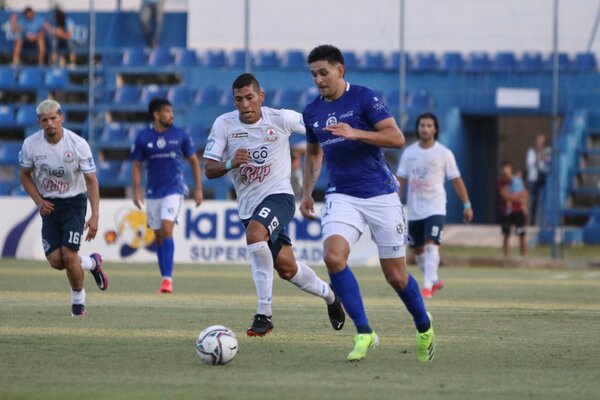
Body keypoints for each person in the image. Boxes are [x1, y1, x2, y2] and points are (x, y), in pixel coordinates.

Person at [300, 44, 435, 362]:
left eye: (324, 72)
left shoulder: (364, 97)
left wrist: (356, 133)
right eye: (314, 74)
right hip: (341, 194)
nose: (319, 80)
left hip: (381, 194)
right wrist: (307, 192)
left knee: (396, 277)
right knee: (333, 258)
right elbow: (315, 152)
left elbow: (397, 138)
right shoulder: (312, 112)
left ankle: (424, 326)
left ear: (340, 70)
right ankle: (364, 332)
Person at [203, 73, 345, 337]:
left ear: (261, 97)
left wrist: (340, 132)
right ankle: (331, 296)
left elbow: (315, 127)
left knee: (255, 234)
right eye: (238, 99)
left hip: (279, 197)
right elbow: (209, 169)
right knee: (288, 269)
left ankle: (263, 314)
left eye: (249, 97)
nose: (245, 104)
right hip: (249, 207)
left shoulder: (280, 119)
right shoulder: (223, 124)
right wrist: (232, 163)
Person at [18, 99, 107, 317]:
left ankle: (78, 303)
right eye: (45, 120)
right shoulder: (31, 145)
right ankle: (93, 263)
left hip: (74, 202)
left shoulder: (78, 144)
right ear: (39, 122)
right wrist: (39, 201)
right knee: (56, 261)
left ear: (62, 118)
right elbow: (24, 175)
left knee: (69, 255)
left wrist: (95, 215)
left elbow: (92, 180)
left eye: (54, 118)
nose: (50, 124)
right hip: (49, 204)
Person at [396, 112, 473, 299]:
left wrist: (467, 204)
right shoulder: (409, 152)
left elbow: (456, 180)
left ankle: (426, 288)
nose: (425, 129)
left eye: (429, 126)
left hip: (435, 207)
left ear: (435, 129)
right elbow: (401, 180)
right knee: (418, 250)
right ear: (418, 128)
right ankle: (434, 279)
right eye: (422, 125)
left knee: (432, 245)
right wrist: (393, 204)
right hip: (414, 210)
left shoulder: (444, 153)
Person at [130, 98, 203, 293]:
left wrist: (198, 189)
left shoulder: (180, 135)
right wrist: (136, 190)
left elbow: (194, 161)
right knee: (159, 235)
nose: (171, 115)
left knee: (167, 228)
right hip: (153, 192)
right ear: (156, 114)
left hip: (174, 189)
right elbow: (136, 165)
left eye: (171, 111)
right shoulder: (143, 137)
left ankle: (168, 281)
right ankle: (164, 279)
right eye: (168, 111)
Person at [498, 160, 528, 257]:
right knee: (506, 234)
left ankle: (524, 256)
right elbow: (506, 196)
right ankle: (506, 256)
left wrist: (514, 197)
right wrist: (516, 197)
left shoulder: (517, 181)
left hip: (518, 210)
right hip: (507, 211)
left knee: (522, 234)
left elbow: (525, 193)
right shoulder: (501, 182)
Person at [526, 134, 551, 225]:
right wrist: (538, 156)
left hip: (544, 178)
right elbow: (530, 163)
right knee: (533, 200)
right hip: (533, 178)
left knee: (545, 200)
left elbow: (548, 162)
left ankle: (543, 222)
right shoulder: (531, 152)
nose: (540, 144)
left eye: (542, 142)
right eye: (538, 141)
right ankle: (532, 222)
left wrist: (542, 155)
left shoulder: (548, 151)